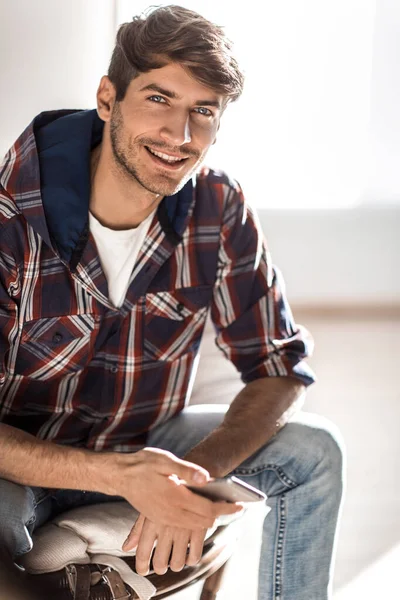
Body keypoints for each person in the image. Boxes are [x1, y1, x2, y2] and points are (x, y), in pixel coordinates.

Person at [0, 5, 345, 599]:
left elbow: (279, 370)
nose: (180, 136)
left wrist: (192, 479)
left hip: (149, 440)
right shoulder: (9, 216)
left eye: (202, 112)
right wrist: (120, 478)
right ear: (108, 98)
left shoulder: (218, 205)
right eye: (159, 99)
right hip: (19, 468)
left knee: (316, 451)